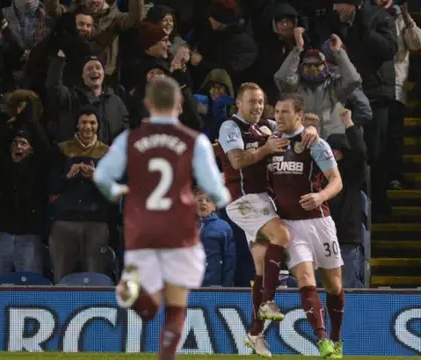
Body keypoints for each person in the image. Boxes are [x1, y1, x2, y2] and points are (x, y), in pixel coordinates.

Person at [93, 76, 230, 360]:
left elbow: (102, 176)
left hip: (140, 229)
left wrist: (116, 190)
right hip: (179, 230)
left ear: (148, 103)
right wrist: (221, 198)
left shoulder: (130, 139)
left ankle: (131, 289)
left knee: (149, 308)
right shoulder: (194, 141)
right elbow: (215, 190)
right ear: (179, 105)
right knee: (176, 306)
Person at [217, 82, 318, 357]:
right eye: (252, 102)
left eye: (261, 102)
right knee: (282, 236)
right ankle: (269, 302)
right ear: (239, 103)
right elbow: (237, 161)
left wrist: (311, 129)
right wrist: (265, 149)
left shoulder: (267, 126)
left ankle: (255, 334)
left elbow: (300, 125)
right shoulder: (231, 127)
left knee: (262, 271)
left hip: (263, 200)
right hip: (243, 199)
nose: (257, 107)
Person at [269, 93, 344, 359]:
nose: (279, 117)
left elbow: (336, 181)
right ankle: (322, 339)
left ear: (299, 115)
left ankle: (336, 338)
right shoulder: (271, 140)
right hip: (290, 224)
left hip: (320, 223)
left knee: (334, 286)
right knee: (304, 280)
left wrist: (321, 196)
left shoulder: (314, 143)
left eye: (285, 112)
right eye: (276, 112)